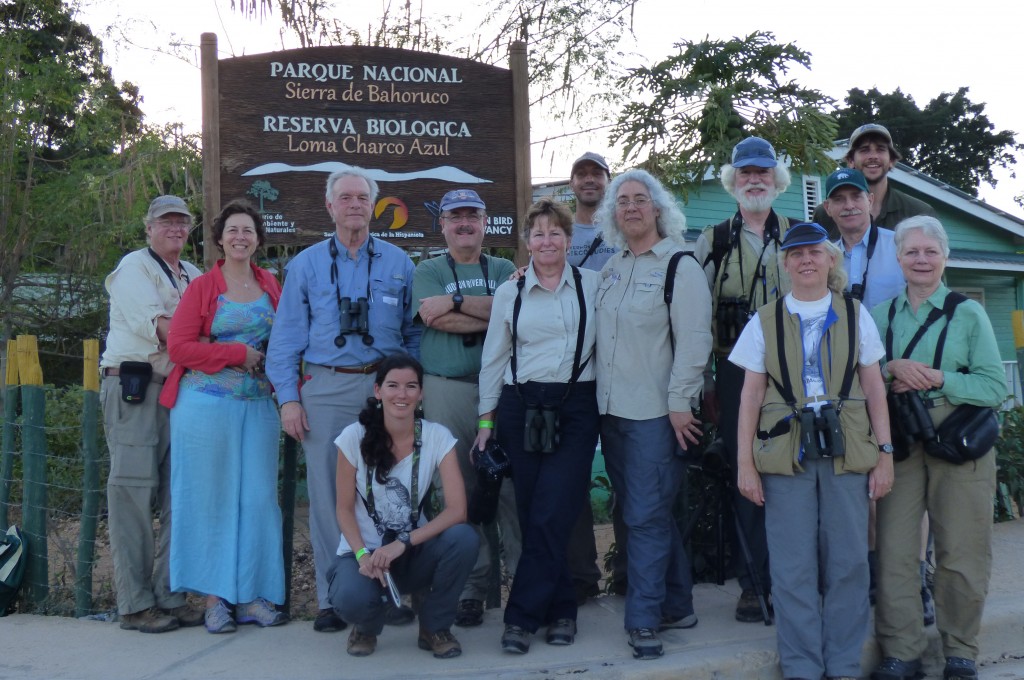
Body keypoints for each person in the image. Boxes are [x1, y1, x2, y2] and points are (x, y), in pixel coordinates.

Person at [730, 221, 894, 680]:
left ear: (830, 260)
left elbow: (874, 386)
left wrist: (886, 453)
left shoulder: (855, 313)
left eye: (815, 252)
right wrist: (745, 463)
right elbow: (749, 396)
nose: (806, 260)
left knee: (848, 561)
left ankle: (842, 664)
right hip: (786, 452)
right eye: (797, 254)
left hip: (848, 450)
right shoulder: (764, 319)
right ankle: (802, 666)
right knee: (792, 566)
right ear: (786, 264)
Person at [266, 167, 421, 632]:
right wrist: (289, 401)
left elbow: (413, 335)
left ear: (373, 205)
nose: (354, 204)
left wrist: (409, 391)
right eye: (345, 197)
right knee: (328, 495)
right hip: (326, 387)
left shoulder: (399, 263)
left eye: (362, 197)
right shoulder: (306, 265)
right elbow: (286, 339)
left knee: (391, 492)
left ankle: (389, 592)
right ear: (330, 206)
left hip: (383, 388)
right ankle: (333, 598)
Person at [869, 216, 1006, 680]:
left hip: (957, 435)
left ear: (944, 257)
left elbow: (993, 387)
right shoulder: (880, 315)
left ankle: (960, 651)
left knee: (962, 550)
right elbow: (861, 376)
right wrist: (892, 369)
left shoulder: (968, 313)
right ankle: (901, 652)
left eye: (930, 251)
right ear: (899, 258)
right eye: (912, 252)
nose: (921, 260)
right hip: (901, 437)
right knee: (894, 550)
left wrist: (940, 377)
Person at [593, 169, 712, 660]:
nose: (631, 208)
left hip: (656, 415)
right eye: (622, 202)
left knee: (643, 517)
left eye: (640, 200)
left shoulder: (680, 267)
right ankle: (678, 603)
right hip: (611, 412)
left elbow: (695, 342)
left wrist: (681, 402)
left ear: (658, 209)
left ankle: (643, 620)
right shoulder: (612, 267)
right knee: (642, 512)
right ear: (613, 214)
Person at [476, 198, 601, 654]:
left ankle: (521, 617)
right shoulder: (511, 291)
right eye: (538, 233)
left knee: (553, 509)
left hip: (576, 406)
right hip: (519, 405)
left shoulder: (594, 283)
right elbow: (493, 358)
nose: (546, 240)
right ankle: (562, 610)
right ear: (527, 242)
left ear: (569, 240)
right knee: (533, 513)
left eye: (555, 232)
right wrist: (485, 420)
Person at [159, 199, 287, 633]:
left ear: (257, 239)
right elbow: (179, 347)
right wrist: (236, 354)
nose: (239, 237)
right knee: (211, 500)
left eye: (247, 230)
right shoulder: (203, 287)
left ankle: (251, 596)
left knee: (257, 500)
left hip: (258, 406)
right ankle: (216, 600)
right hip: (205, 404)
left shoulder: (271, 284)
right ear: (218, 238)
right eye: (232, 230)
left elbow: (286, 343)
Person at [692, 136, 794, 623]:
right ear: (733, 181)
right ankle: (752, 582)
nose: (756, 180)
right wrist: (706, 383)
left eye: (763, 172)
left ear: (777, 180)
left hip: (793, 373)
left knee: (795, 467)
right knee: (744, 470)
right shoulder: (711, 241)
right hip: (733, 372)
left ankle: (791, 576)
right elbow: (694, 319)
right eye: (746, 172)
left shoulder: (800, 234)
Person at [411, 188, 519, 628]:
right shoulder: (429, 268)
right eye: (455, 216)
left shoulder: (506, 267)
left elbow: (517, 308)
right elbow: (433, 319)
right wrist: (495, 311)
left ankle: (524, 582)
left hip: (504, 390)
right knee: (457, 487)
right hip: (447, 387)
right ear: (443, 224)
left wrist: (455, 301)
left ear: (485, 221)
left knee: (512, 487)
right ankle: (472, 589)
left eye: (472, 215)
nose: (464, 223)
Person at [99, 195, 204, 633]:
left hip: (180, 390)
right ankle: (134, 603)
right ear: (149, 228)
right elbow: (164, 328)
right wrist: (206, 341)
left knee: (178, 497)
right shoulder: (133, 268)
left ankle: (170, 595)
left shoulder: (194, 274)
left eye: (181, 222)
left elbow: (203, 325)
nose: (175, 228)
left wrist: (201, 338)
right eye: (166, 222)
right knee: (133, 496)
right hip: (135, 390)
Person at [327, 354, 477, 658]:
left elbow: (457, 510)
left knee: (463, 538)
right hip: (365, 555)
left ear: (421, 393)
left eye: (411, 386)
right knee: (351, 598)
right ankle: (365, 627)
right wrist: (361, 555)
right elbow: (343, 509)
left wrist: (403, 543)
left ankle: (434, 627)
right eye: (393, 385)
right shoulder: (353, 437)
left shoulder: (437, 436)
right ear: (378, 391)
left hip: (411, 551)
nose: (402, 394)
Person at [563, 150, 624, 603]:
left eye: (596, 174)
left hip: (623, 363)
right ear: (572, 184)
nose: (589, 181)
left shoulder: (626, 227)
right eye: (581, 174)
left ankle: (627, 573)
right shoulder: (562, 232)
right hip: (576, 366)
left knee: (629, 475)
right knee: (573, 477)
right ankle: (582, 578)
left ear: (608, 180)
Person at [813, 123, 936, 239]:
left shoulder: (918, 213)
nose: (873, 156)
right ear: (850, 161)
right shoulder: (824, 215)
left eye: (880, 149)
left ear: (892, 160)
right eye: (864, 150)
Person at [825, 168, 906, 310]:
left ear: (870, 200)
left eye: (856, 197)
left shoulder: (901, 246)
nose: (849, 206)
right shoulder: (825, 258)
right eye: (839, 199)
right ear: (827, 208)